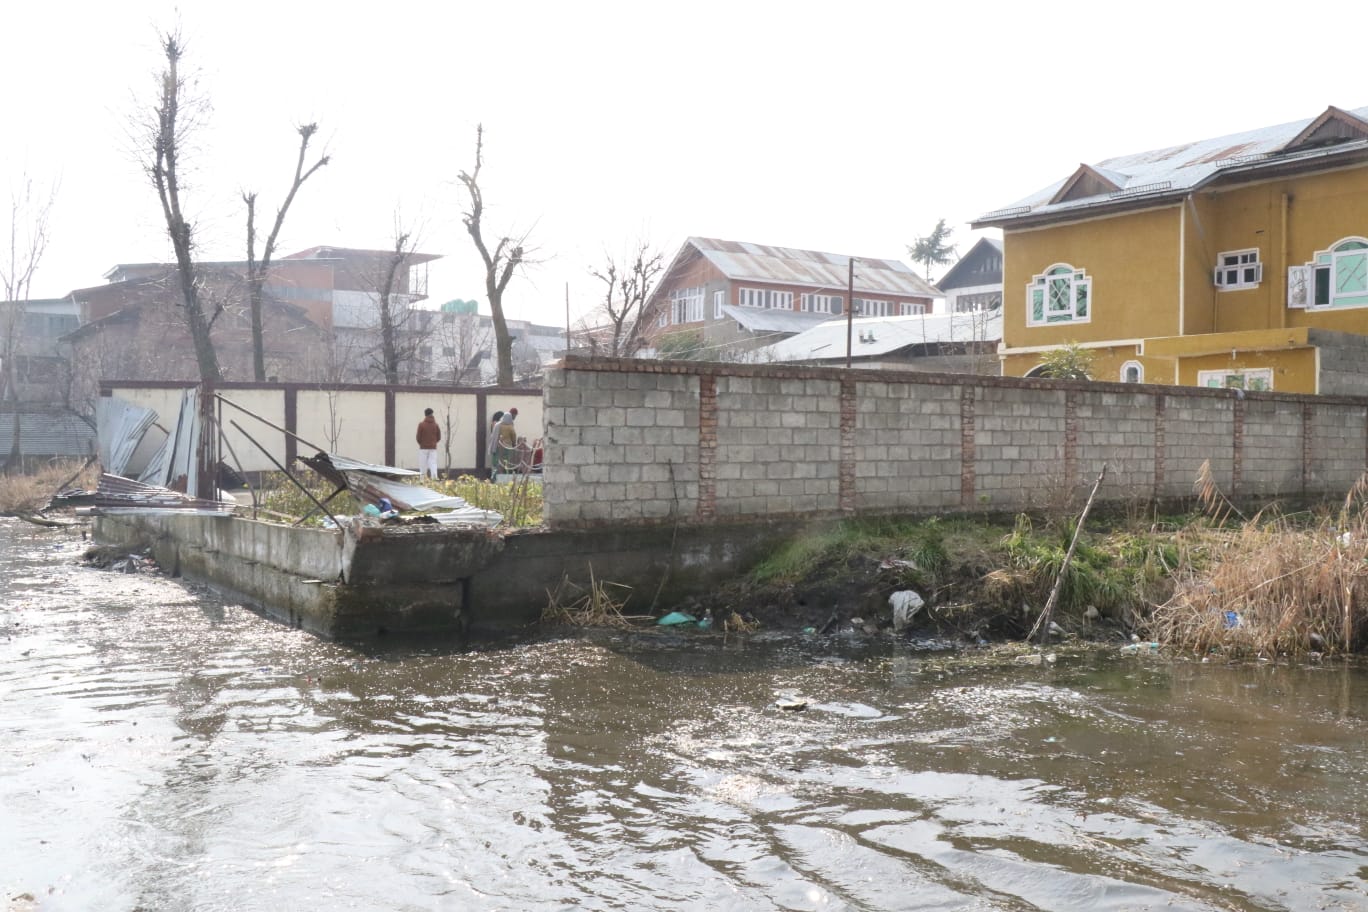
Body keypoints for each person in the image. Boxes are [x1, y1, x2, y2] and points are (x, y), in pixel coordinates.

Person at [416, 407, 441, 480]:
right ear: (432, 414)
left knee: (423, 465)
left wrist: (422, 443)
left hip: (423, 448)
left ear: (425, 415)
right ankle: (434, 479)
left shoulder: (421, 425)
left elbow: (418, 437)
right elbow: (439, 437)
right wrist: (433, 442)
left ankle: (422, 480)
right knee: (433, 464)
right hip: (433, 448)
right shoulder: (436, 425)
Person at [496, 409, 519, 475]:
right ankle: (508, 473)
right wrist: (514, 444)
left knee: (501, 460)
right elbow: (513, 435)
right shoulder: (510, 426)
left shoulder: (499, 425)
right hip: (508, 446)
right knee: (509, 460)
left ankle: (500, 473)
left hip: (500, 445)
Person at [486, 410, 504, 479]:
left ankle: (494, 477)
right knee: (498, 463)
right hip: (498, 446)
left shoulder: (494, 424)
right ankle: (496, 477)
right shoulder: (497, 424)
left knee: (495, 463)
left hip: (494, 446)